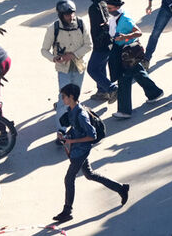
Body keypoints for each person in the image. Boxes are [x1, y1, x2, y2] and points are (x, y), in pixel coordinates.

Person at [52, 83, 129, 224]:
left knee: (69, 179)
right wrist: (64, 135)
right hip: (77, 149)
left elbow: (92, 136)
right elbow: (73, 127)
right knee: (89, 174)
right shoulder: (72, 109)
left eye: (64, 96)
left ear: (71, 97)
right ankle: (121, 188)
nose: (62, 99)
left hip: (81, 151)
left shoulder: (81, 115)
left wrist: (72, 140)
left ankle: (67, 211)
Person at [106, 0, 163, 119]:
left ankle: (124, 111)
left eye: (110, 8)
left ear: (117, 7)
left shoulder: (125, 19)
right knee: (138, 73)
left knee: (123, 79)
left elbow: (139, 32)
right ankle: (155, 93)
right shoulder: (114, 18)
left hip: (127, 53)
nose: (108, 10)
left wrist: (125, 37)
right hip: (124, 52)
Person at [41, 0, 91, 138]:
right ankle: (61, 131)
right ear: (61, 15)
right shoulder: (53, 28)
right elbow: (44, 50)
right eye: (67, 15)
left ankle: (74, 126)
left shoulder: (81, 24)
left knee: (74, 98)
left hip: (79, 67)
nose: (71, 17)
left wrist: (73, 55)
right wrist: (54, 58)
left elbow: (88, 45)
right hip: (63, 69)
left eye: (72, 13)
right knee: (64, 99)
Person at [86, 0, 117, 102]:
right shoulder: (109, 4)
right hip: (111, 41)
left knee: (92, 69)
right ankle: (102, 91)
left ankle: (111, 88)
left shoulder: (94, 7)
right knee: (101, 66)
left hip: (101, 43)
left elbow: (96, 27)